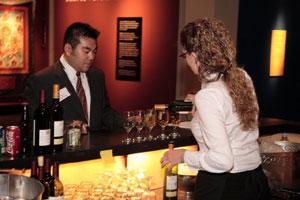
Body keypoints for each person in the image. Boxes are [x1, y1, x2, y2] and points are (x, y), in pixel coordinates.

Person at [161, 18, 270, 199]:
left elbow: (222, 161)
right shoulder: (242, 76)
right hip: (255, 181)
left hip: (223, 187)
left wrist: (183, 156)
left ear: (194, 56)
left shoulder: (209, 96)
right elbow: (228, 106)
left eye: (184, 55)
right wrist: (199, 99)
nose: (186, 61)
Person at [24, 22, 121, 131]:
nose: (91, 57)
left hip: (95, 146)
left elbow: (104, 112)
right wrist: (66, 128)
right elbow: (32, 124)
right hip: (62, 147)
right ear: (68, 49)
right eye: (86, 51)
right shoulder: (41, 80)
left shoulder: (97, 76)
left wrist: (127, 121)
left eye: (94, 52)